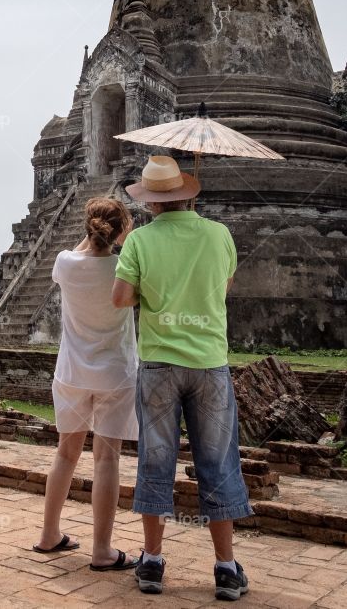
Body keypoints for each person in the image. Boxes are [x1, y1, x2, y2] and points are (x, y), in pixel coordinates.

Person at [113, 155, 252, 601]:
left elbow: (121, 299)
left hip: (158, 364)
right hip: (210, 363)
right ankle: (226, 568)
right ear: (187, 193)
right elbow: (223, 288)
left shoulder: (140, 241)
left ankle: (151, 562)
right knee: (217, 463)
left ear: (152, 202)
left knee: (157, 461)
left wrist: (154, 292)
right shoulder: (220, 234)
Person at [32, 197, 140, 571]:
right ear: (121, 230)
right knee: (106, 457)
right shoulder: (126, 267)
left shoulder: (65, 263)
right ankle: (102, 550)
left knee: (66, 453)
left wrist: (96, 231)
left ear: (88, 227)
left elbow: (80, 250)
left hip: (72, 373)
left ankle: (49, 533)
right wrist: (127, 240)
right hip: (115, 373)